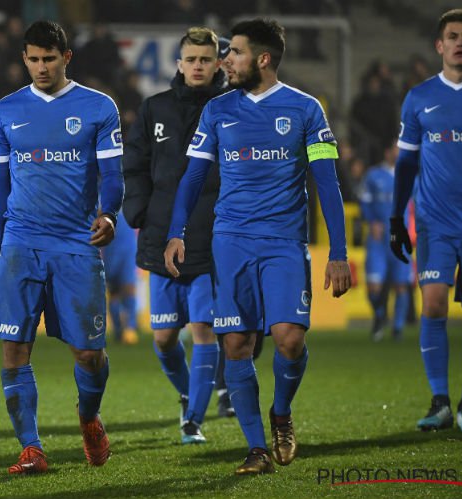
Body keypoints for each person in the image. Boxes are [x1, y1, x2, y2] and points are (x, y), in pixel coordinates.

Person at [165, 18, 351, 474]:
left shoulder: (306, 110)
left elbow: (326, 183)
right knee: (237, 345)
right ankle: (256, 448)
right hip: (230, 242)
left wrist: (339, 252)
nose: (224, 60)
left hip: (285, 242)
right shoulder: (218, 110)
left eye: (236, 53)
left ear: (263, 59)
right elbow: (192, 176)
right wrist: (176, 231)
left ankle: (281, 414)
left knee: (289, 340)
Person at [0, 20, 124, 474]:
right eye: (33, 59)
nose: (41, 67)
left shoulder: (98, 107)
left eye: (49, 58)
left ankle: (88, 418)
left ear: (67, 57)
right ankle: (31, 448)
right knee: (14, 348)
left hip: (76, 243)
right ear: (24, 59)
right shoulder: (5, 110)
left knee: (89, 353)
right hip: (20, 241)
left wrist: (109, 213)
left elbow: (114, 175)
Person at [123, 27, 233, 447]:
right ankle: (190, 392)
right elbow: (134, 164)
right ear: (179, 63)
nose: (198, 66)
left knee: (204, 330)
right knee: (165, 338)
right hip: (160, 236)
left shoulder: (230, 109)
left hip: (210, 239)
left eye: (206, 59)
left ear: (218, 64)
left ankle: (193, 420)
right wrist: (138, 210)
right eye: (192, 59)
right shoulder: (155, 109)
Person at [390, 8, 462, 433]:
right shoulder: (420, 97)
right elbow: (406, 165)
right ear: (439, 46)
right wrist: (395, 216)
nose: (460, 42)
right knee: (435, 303)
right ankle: (440, 400)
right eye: (453, 36)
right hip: (434, 223)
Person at [359, 143, 414, 342]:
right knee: (373, 286)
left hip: (400, 239)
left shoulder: (410, 175)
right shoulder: (374, 175)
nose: (399, 153)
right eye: (396, 149)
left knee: (401, 285)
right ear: (388, 151)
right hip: (378, 240)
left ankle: (397, 328)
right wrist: (371, 220)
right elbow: (364, 201)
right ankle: (380, 314)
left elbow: (420, 203)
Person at [101, 215, 139, 345]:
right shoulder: (101, 199)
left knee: (129, 289)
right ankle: (119, 329)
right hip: (110, 249)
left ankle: (130, 328)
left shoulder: (127, 200)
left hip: (127, 248)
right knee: (114, 292)